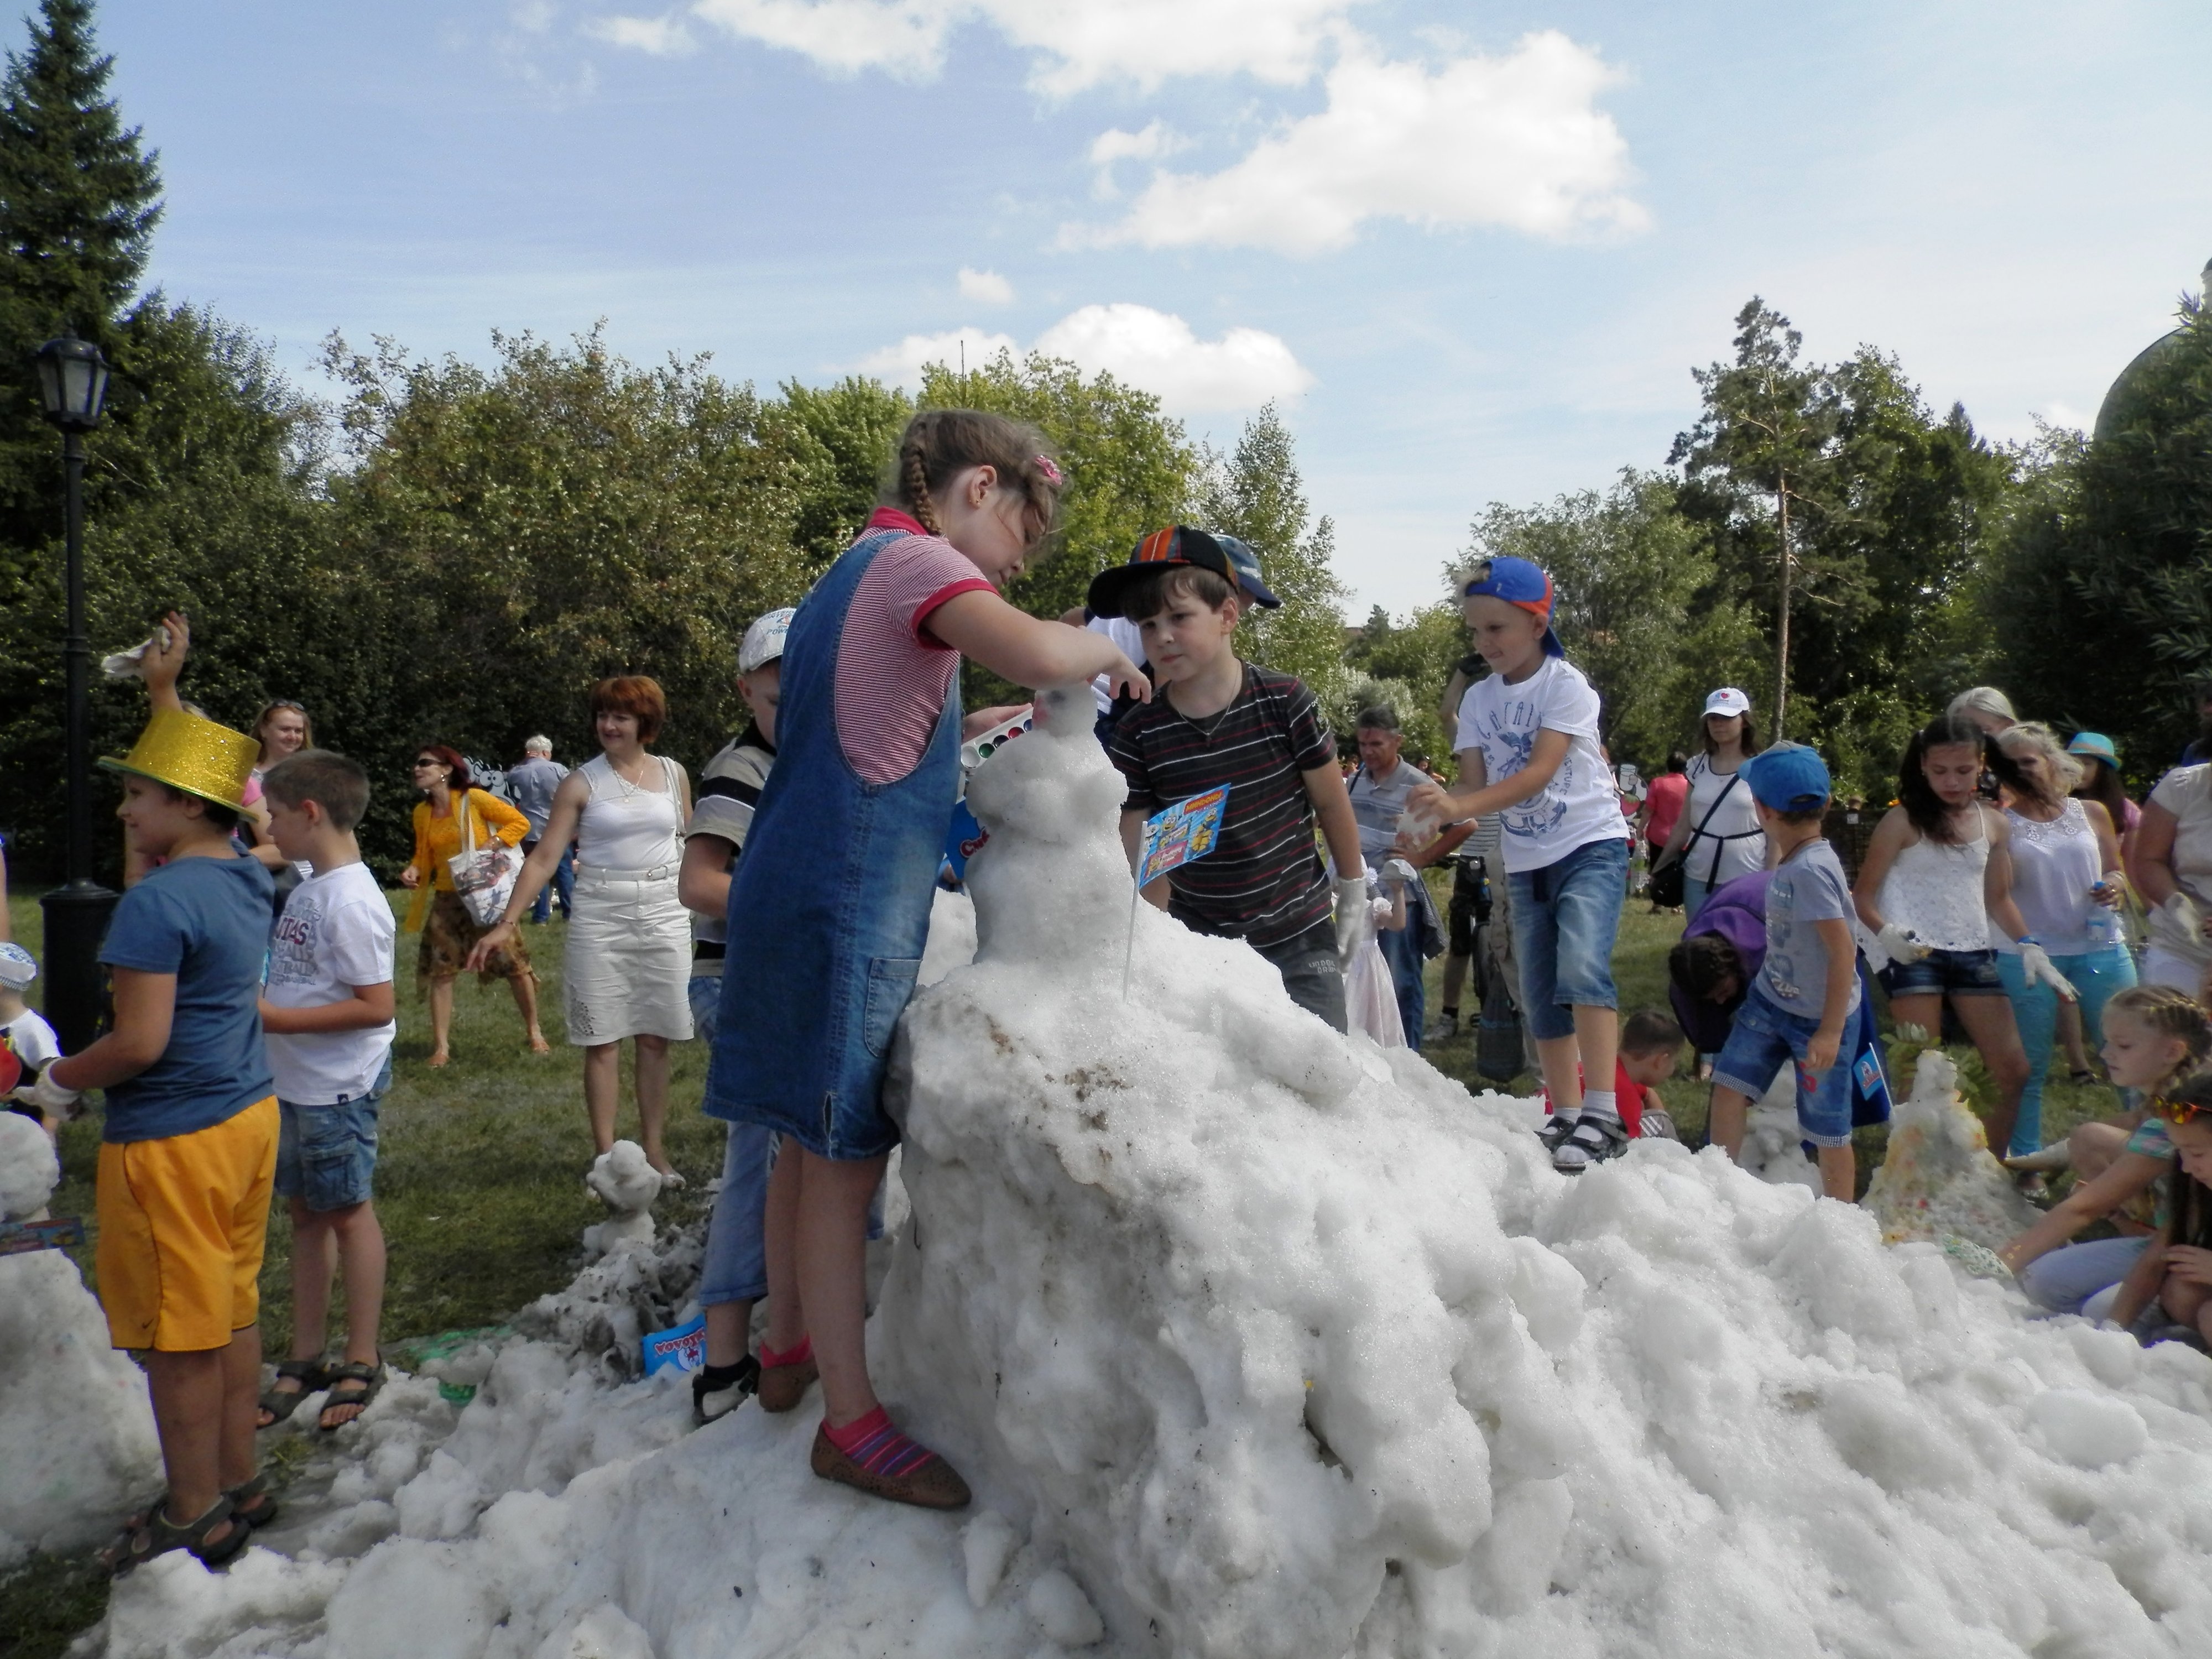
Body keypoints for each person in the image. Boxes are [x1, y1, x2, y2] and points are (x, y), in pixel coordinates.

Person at [706, 409, 1146, 1510]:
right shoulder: (914, 562)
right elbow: (1045, 649)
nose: (1008, 568)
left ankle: (787, 1352)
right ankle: (849, 1426)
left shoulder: (850, 572)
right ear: (978, 488)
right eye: (1017, 542)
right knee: (843, 1149)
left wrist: (971, 716)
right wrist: (1103, 647)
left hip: (795, 879)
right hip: (841, 896)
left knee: (800, 1141)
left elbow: (881, 716)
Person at [10, 709, 275, 1573]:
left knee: (177, 1341)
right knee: (229, 1312)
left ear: (193, 805)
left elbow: (138, 1043)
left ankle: (191, 1513)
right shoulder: (244, 875)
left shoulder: (156, 904)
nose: (124, 811)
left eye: (136, 794)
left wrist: (60, 1079)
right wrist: (168, 696)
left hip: (172, 1142)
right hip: (247, 1120)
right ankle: (241, 1483)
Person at [1406, 555, 1632, 1171]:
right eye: (1475, 631)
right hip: (1528, 857)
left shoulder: (1566, 687)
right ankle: (1563, 1113)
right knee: (1536, 987)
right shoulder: (1479, 700)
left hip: (1589, 844)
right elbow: (1474, 783)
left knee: (1583, 966)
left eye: (1496, 629)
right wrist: (1435, 813)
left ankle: (1605, 1114)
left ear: (1537, 624)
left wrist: (1460, 802)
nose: (1484, 643)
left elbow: (1535, 774)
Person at [1098, 525, 1365, 1034]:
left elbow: (1331, 803)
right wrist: (1153, 937)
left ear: (1227, 615)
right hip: (1204, 944)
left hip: (1299, 931)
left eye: (1179, 617)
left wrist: (1351, 885)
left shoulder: (1286, 701)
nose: (1163, 637)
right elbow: (1142, 847)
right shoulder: (1139, 731)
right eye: (1148, 625)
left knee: (1323, 1075)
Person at [471, 679, 693, 1176]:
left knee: (656, 1037)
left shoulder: (674, 773)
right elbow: (546, 856)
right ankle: (607, 1157)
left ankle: (655, 1151)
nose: (609, 726)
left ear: (645, 724)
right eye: (603, 716)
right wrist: (507, 923)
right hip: (600, 915)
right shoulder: (580, 782)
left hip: (664, 911)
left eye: (622, 717)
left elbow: (690, 839)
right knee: (603, 1039)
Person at [252, 750, 397, 1433]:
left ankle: (361, 1355)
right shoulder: (312, 882)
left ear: (310, 815)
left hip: (338, 1088)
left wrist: (277, 1019)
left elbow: (377, 1006)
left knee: (347, 1212)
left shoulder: (352, 901)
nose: (268, 827)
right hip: (295, 1083)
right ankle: (306, 1352)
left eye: (276, 815)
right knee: (305, 1214)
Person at [1854, 713, 2065, 1159]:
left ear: (1982, 765)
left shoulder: (1994, 823)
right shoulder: (1903, 821)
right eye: (1940, 772)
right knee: (1921, 1073)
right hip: (1913, 953)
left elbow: (1999, 899)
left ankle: (1986, 1169)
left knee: (2013, 1069)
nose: (1951, 782)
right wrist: (1886, 933)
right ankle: (1912, 1177)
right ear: (1923, 767)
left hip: (1972, 950)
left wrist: (2030, 945)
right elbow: (1862, 897)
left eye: (1963, 771)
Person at [676, 607, 791, 1421]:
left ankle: (780, 1329)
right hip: (741, 984)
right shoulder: (743, 768)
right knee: (762, 1162)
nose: (793, 706)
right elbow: (700, 883)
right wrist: (800, 908)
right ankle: (724, 1359)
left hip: (781, 984)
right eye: (777, 692)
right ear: (746, 688)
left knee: (787, 1163)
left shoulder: (809, 762)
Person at [1703, 745, 1864, 1199]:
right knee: (1731, 1083)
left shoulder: (1810, 871)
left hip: (1820, 1017)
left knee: (1827, 1124)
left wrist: (1830, 1031)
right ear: (1827, 804)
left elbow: (1843, 952)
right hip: (1771, 1001)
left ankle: (1841, 1218)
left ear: (1763, 810)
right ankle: (1719, 1184)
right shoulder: (1797, 860)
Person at [1998, 986, 2212, 1314]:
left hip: (2186, 1254)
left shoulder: (2182, 1119)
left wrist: (1997, 1265)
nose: (2106, 1053)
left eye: (2123, 1045)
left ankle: (2170, 1321)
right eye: (2108, 1041)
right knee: (2045, 1279)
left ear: (2173, 1052)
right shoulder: (2168, 1107)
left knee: (2090, 1305)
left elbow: (2083, 1208)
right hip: (2173, 1245)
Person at [1990, 723, 2136, 1162]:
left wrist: (2114, 886)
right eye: (2008, 767)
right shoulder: (1999, 824)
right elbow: (1994, 895)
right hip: (2028, 955)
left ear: (2052, 763)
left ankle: (2148, 1153)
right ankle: (2027, 1161)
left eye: (2028, 762)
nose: (2020, 772)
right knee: (2029, 1067)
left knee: (2133, 1054)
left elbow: (2118, 869)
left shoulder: (2091, 813)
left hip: (2102, 947)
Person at [400, 746, 547, 1066]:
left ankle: (534, 1030)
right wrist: (415, 869)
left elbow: (519, 823)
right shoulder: (421, 813)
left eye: (424, 763)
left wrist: (491, 843)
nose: (417, 769)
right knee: (442, 970)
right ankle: (441, 1048)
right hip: (447, 899)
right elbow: (424, 854)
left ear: (447, 769)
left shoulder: (474, 800)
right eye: (416, 763)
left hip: (485, 896)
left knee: (514, 965)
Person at [1345, 704, 1466, 1050]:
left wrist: (1422, 858)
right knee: (1363, 980)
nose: (1368, 752)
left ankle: (1409, 1061)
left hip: (1398, 897)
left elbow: (1465, 824)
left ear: (1397, 742)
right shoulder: (1355, 780)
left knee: (1400, 983)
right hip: (1359, 900)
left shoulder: (1418, 783)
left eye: (1376, 745)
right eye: (1363, 745)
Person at [2106, 1071, 2212, 1341]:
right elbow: (2157, 1258)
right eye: (2181, 1153)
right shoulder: (2199, 1185)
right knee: (2181, 1290)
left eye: (2197, 1153)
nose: (2187, 1167)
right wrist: (2111, 1333)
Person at [1651, 689, 1766, 918]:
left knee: (1742, 949)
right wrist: (1659, 868)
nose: (1719, 724)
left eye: (1727, 717)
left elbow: (1775, 831)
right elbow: (1684, 825)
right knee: (1698, 947)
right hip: (1698, 875)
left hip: (1748, 876)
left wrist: (1771, 878)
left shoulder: (1763, 767)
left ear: (1744, 722)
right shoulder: (1697, 766)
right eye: (1714, 718)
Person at [2129, 755, 2212, 999]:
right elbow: (2149, 860)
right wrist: (2176, 904)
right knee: (2172, 1030)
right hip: (2183, 946)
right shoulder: (2182, 786)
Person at [1424, 815, 1498, 1044]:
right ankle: (1449, 1015)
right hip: (1471, 862)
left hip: (1509, 860)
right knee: (1460, 942)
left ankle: (1515, 1012)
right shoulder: (1472, 784)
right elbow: (1451, 816)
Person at [507, 737, 573, 924]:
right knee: (564, 871)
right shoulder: (559, 769)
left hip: (533, 829)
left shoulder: (520, 771)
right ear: (546, 752)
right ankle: (570, 913)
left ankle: (541, 916)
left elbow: (510, 776)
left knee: (537, 871)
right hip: (559, 827)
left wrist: (526, 760)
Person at [1638, 753, 1689, 911]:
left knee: (1657, 868)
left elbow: (1648, 810)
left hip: (1658, 835)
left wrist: (1640, 828)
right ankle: (1677, 905)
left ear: (1667, 766)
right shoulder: (1690, 786)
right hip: (1683, 837)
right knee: (1678, 870)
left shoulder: (1658, 783)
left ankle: (1657, 903)